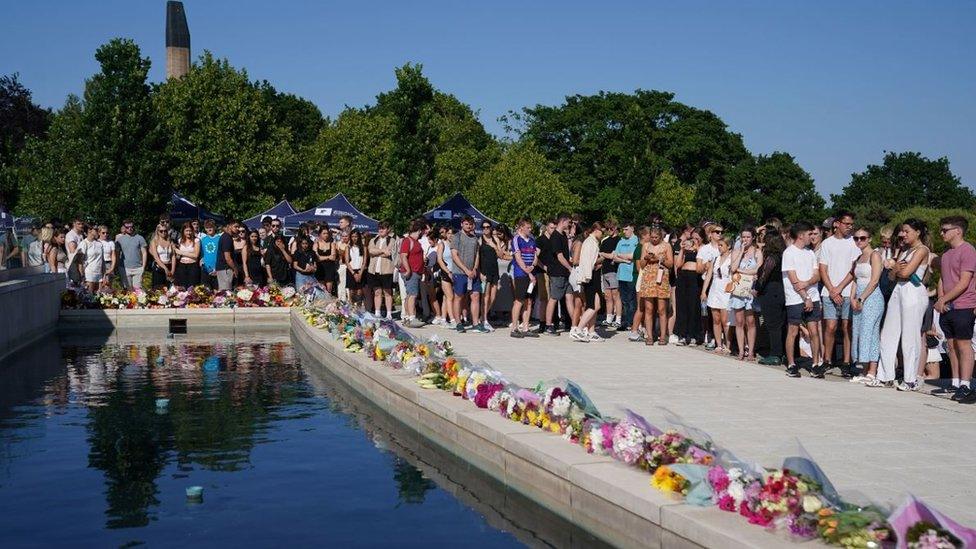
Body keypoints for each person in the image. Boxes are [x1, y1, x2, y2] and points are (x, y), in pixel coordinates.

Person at [876, 219, 931, 392]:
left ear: (917, 232)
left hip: (913, 292)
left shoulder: (922, 250)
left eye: (907, 231)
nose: (903, 235)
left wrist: (896, 269)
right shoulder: (904, 250)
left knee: (910, 335)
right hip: (898, 290)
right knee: (888, 333)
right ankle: (885, 376)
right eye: (902, 231)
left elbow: (906, 272)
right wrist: (896, 269)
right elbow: (892, 276)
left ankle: (910, 379)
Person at [933, 216, 976, 403]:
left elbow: (964, 282)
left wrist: (944, 298)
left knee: (963, 345)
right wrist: (941, 300)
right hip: (948, 306)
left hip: (964, 304)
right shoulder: (947, 254)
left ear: (957, 230)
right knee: (950, 345)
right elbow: (942, 278)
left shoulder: (968, 251)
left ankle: (966, 384)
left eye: (945, 230)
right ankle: (955, 381)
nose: (941, 233)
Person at [818, 211, 860, 378]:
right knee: (830, 326)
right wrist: (832, 289)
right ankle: (827, 359)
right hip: (829, 291)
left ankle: (846, 362)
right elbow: (823, 268)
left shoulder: (854, 243)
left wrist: (840, 288)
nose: (849, 227)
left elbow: (853, 269)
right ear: (837, 223)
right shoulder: (827, 243)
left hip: (848, 291)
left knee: (846, 327)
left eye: (851, 224)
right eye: (846, 224)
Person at [783, 221, 822, 378]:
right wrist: (805, 297)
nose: (811, 237)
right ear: (800, 235)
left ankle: (815, 364)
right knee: (793, 331)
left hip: (813, 297)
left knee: (814, 331)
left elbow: (817, 274)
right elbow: (793, 278)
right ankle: (792, 364)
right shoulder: (789, 253)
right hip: (795, 299)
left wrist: (807, 284)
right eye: (808, 234)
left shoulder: (810, 253)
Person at [849, 228, 885, 385]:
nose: (859, 241)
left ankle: (872, 370)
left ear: (869, 239)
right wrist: (852, 298)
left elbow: (875, 280)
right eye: (856, 238)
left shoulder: (874, 255)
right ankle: (863, 370)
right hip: (859, 297)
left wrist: (862, 297)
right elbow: (855, 279)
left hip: (872, 297)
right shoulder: (858, 257)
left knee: (870, 333)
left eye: (862, 238)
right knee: (859, 331)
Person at [729, 227, 762, 359]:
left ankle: (751, 350)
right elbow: (732, 268)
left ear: (753, 237)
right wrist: (741, 251)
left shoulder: (758, 252)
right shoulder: (736, 251)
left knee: (751, 321)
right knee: (739, 321)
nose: (745, 239)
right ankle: (741, 350)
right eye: (743, 237)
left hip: (750, 291)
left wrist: (741, 272)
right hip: (738, 290)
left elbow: (758, 269)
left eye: (748, 237)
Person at [756, 229, 787, 366]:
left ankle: (775, 354)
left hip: (771, 292)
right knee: (782, 325)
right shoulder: (784, 256)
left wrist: (757, 288)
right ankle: (784, 353)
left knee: (772, 325)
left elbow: (764, 276)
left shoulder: (772, 258)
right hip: (782, 292)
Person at [451, 216, 487, 333]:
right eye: (466, 224)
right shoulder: (456, 237)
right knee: (459, 297)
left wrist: (475, 268)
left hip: (473, 273)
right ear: (462, 224)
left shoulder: (475, 238)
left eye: (470, 224)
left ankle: (476, 323)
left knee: (476, 295)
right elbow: (454, 255)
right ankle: (458, 323)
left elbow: (477, 254)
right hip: (460, 272)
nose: (469, 226)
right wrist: (466, 270)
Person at [638, 227, 673, 346]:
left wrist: (660, 259)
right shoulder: (646, 246)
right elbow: (641, 265)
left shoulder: (666, 246)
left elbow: (670, 264)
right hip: (648, 278)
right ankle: (649, 336)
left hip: (661, 277)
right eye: (652, 237)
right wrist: (646, 258)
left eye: (656, 237)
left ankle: (663, 336)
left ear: (660, 237)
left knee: (662, 309)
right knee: (648, 308)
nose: (654, 239)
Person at [571, 222, 605, 342]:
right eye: (602, 231)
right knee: (591, 306)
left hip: (592, 277)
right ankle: (578, 329)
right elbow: (589, 261)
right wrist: (601, 259)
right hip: (590, 278)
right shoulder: (590, 242)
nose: (603, 234)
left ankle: (591, 331)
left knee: (597, 305)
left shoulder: (592, 242)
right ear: (596, 230)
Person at [509, 217, 540, 338]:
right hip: (521, 274)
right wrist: (528, 272)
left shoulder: (532, 239)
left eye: (530, 227)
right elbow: (518, 257)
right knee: (519, 300)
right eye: (528, 227)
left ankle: (526, 327)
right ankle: (514, 327)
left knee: (529, 300)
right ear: (521, 227)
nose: (530, 229)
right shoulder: (516, 239)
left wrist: (532, 266)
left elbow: (535, 255)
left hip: (531, 273)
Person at [674, 227, 705, 346]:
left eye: (697, 238)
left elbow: (701, 266)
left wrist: (697, 249)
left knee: (693, 306)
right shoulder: (687, 249)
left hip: (694, 278)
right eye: (693, 238)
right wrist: (682, 249)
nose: (694, 240)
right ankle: (682, 334)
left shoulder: (703, 249)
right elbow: (678, 264)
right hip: (683, 276)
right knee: (682, 306)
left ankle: (693, 335)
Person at [702, 236, 733, 353]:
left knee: (726, 320)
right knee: (716, 319)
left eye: (721, 245)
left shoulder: (732, 258)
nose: (719, 248)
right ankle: (718, 343)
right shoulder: (715, 259)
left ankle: (728, 344)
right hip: (715, 289)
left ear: (728, 246)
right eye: (718, 245)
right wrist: (704, 291)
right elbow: (709, 275)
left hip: (726, 290)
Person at [545, 214, 574, 336]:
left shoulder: (562, 235)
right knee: (553, 298)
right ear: (563, 221)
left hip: (565, 273)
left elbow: (567, 252)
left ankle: (575, 324)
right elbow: (559, 256)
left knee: (569, 297)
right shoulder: (555, 237)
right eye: (569, 222)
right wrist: (569, 267)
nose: (570, 224)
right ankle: (548, 325)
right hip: (557, 273)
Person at [399, 219, 426, 328]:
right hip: (412, 272)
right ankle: (411, 318)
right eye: (423, 232)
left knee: (409, 295)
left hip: (416, 271)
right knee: (413, 295)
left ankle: (407, 317)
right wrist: (408, 269)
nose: (423, 234)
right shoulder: (407, 241)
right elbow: (403, 255)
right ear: (419, 230)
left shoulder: (415, 242)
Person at [614, 222, 639, 331]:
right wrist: (625, 259)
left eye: (626, 229)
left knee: (632, 300)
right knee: (624, 300)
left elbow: (634, 256)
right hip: (622, 275)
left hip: (631, 275)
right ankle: (626, 321)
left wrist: (621, 256)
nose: (624, 232)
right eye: (623, 230)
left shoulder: (636, 240)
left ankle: (632, 322)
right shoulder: (621, 241)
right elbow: (615, 257)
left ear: (632, 229)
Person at [368, 222, 396, 319]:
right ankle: (377, 312)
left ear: (388, 229)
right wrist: (383, 251)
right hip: (374, 270)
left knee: (388, 292)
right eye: (379, 228)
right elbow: (370, 251)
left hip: (387, 270)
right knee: (377, 292)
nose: (381, 230)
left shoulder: (392, 240)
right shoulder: (373, 240)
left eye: (383, 228)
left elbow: (389, 252)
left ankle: (389, 313)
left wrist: (378, 252)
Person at [479, 221, 503, 330]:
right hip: (484, 270)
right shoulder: (480, 240)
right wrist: (480, 272)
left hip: (494, 270)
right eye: (484, 227)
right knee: (486, 296)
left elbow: (501, 255)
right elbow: (477, 258)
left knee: (493, 297)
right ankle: (484, 320)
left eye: (488, 227)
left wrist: (494, 246)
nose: (486, 229)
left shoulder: (495, 240)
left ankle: (483, 317)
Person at [599, 221, 622, 328]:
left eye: (611, 229)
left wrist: (605, 254)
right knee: (607, 296)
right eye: (607, 229)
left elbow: (614, 256)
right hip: (605, 270)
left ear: (615, 228)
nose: (609, 231)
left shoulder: (619, 240)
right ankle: (609, 318)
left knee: (615, 295)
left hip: (614, 270)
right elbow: (602, 255)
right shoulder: (605, 241)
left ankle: (618, 319)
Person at [115, 220, 147, 289]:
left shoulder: (140, 238)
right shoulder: (119, 239)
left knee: (138, 291)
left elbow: (144, 253)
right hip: (124, 268)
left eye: (131, 227)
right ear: (124, 227)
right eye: (127, 227)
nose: (130, 228)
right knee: (127, 291)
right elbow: (116, 254)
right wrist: (117, 266)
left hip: (138, 268)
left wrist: (143, 267)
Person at [172, 222, 201, 288]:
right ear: (183, 231)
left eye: (190, 231)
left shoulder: (197, 240)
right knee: (182, 287)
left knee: (192, 288)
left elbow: (196, 255)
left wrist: (180, 252)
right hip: (182, 266)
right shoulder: (180, 240)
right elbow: (178, 255)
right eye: (187, 231)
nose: (188, 233)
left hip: (193, 266)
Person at [77, 226, 105, 292]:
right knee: (89, 296)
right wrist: (82, 275)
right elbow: (80, 261)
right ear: (89, 231)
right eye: (96, 230)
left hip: (99, 274)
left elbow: (102, 260)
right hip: (89, 273)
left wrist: (104, 275)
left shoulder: (99, 243)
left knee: (100, 297)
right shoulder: (83, 243)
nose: (98, 232)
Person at [214, 220, 240, 291]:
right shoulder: (227, 238)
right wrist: (235, 269)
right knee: (225, 293)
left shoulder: (226, 237)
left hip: (223, 268)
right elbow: (227, 258)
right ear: (229, 226)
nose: (237, 228)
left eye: (238, 227)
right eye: (235, 226)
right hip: (225, 269)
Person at [148, 224, 175, 289]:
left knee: (170, 290)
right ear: (157, 231)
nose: (163, 232)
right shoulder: (154, 242)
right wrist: (165, 268)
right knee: (158, 290)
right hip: (159, 267)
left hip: (169, 266)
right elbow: (156, 257)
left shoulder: (170, 241)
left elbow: (173, 256)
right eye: (161, 231)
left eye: (165, 231)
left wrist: (172, 270)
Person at [344, 230, 366, 306]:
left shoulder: (363, 247)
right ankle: (352, 309)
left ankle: (359, 309)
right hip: (351, 271)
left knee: (359, 293)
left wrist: (360, 273)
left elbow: (364, 262)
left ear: (359, 237)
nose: (354, 238)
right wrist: (354, 273)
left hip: (360, 271)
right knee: (352, 292)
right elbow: (347, 262)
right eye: (352, 236)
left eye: (356, 236)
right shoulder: (348, 247)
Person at [314, 227, 337, 295]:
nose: (326, 235)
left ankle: (329, 304)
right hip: (320, 268)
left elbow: (333, 257)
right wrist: (328, 257)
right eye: (324, 233)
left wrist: (322, 257)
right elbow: (316, 258)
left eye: (327, 233)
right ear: (320, 234)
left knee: (329, 290)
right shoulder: (316, 244)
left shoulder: (332, 244)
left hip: (330, 268)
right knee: (320, 289)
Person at [199, 220, 221, 289]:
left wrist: (218, 268)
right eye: (207, 227)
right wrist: (201, 261)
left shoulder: (219, 238)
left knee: (217, 292)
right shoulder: (203, 240)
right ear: (205, 228)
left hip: (217, 269)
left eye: (211, 227)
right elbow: (202, 254)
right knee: (206, 291)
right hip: (205, 269)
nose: (209, 229)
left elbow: (222, 255)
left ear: (215, 227)